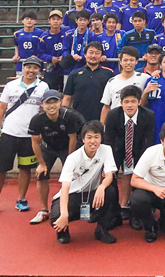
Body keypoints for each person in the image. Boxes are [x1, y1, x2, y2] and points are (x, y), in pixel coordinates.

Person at [50, 121, 118, 244]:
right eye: (89, 137)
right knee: (56, 216)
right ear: (83, 139)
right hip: (73, 194)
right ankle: (63, 232)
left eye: (96, 137)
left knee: (110, 191)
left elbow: (109, 174)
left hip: (93, 193)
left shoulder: (106, 150)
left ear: (101, 138)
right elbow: (65, 187)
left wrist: (102, 187)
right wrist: (64, 214)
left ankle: (101, 230)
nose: (93, 141)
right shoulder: (73, 158)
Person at [0, 56, 49, 212]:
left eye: (35, 68)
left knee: (25, 169)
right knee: (1, 169)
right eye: (28, 67)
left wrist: (41, 132)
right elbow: (2, 109)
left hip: (30, 137)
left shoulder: (43, 87)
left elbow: (44, 111)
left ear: (38, 70)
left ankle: (21, 199)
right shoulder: (11, 85)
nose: (31, 70)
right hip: (8, 133)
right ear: (23, 68)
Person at [28, 90, 83, 224]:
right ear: (42, 105)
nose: (52, 106)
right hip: (48, 147)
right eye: (48, 103)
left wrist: (70, 160)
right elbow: (35, 142)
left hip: (66, 147)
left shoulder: (69, 116)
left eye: (55, 102)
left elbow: (73, 139)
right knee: (41, 175)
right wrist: (41, 163)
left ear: (60, 103)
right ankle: (43, 210)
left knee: (73, 175)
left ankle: (71, 207)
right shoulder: (37, 119)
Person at [104, 85, 155, 227]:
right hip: (118, 151)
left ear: (139, 102)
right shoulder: (113, 115)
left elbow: (148, 141)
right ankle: (114, 212)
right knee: (111, 181)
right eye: (126, 102)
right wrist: (110, 165)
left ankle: (137, 213)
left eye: (133, 101)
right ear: (121, 103)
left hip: (140, 152)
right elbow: (108, 141)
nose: (130, 105)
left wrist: (142, 164)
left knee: (139, 180)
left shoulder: (148, 115)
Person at [62, 42, 114, 122]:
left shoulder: (109, 73)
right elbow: (67, 98)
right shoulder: (74, 74)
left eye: (97, 53)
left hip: (101, 120)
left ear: (101, 56)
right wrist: (63, 118)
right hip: (78, 119)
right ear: (85, 55)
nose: (93, 56)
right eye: (91, 52)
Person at [99, 46, 151, 124]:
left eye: (131, 60)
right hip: (116, 122)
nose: (128, 63)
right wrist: (102, 126)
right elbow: (106, 106)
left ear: (136, 61)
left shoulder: (145, 78)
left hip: (138, 122)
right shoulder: (112, 81)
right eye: (125, 60)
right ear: (120, 62)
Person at [12, 10, 43, 77]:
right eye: (27, 19)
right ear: (22, 21)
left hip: (35, 65)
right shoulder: (17, 34)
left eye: (31, 19)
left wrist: (37, 56)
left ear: (35, 21)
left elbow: (43, 47)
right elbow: (16, 45)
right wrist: (16, 54)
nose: (29, 21)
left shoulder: (41, 34)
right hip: (21, 66)